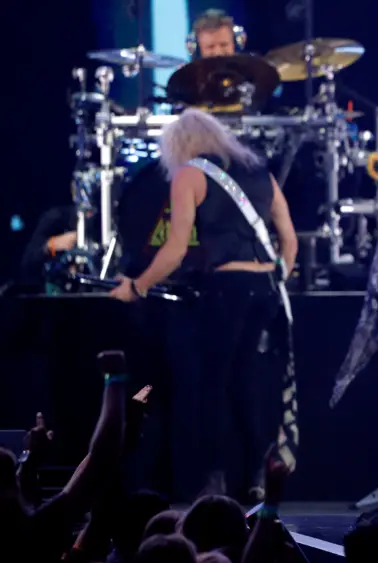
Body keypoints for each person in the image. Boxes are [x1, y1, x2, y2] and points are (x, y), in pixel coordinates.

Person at [110, 108, 298, 501]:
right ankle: (255, 476)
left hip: (227, 288)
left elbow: (175, 250)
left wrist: (138, 286)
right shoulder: (260, 174)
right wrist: (278, 276)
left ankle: (214, 481)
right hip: (265, 288)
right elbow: (289, 239)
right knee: (244, 382)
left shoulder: (189, 175)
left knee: (211, 386)